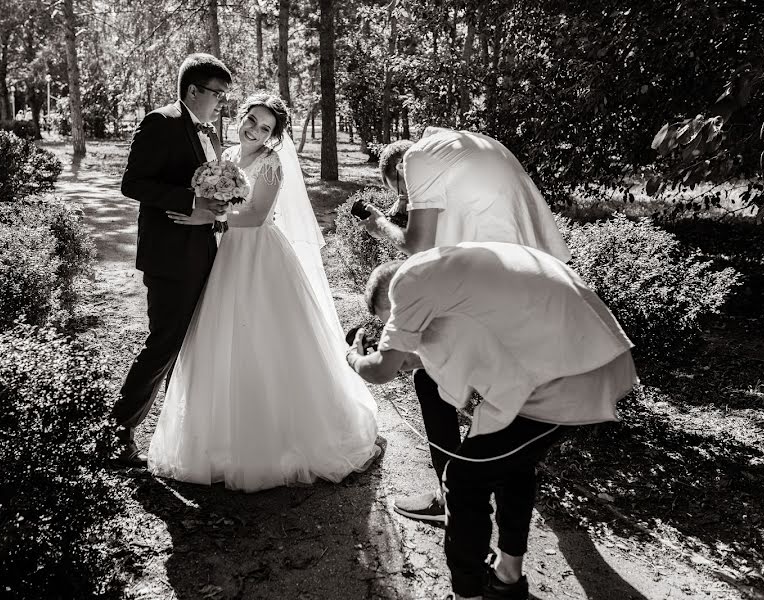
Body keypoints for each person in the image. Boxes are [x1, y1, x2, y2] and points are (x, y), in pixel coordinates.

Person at [346, 243, 638, 600]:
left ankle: (469, 594)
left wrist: (354, 359)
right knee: (510, 464)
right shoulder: (447, 270)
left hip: (572, 375)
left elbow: (381, 370)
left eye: (391, 321)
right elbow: (466, 339)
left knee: (463, 476)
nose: (396, 332)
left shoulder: (407, 283)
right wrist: (410, 357)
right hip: (576, 359)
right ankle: (507, 579)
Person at [147, 93, 380, 492]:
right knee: (226, 338)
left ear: (275, 136)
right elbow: (220, 200)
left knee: (269, 337)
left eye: (265, 127)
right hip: (228, 254)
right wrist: (210, 208)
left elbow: (255, 215)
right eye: (251, 120)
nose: (255, 130)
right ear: (241, 117)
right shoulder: (228, 154)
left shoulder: (271, 163)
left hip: (260, 254)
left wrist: (207, 216)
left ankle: (281, 439)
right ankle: (221, 440)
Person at [360, 127, 572, 522]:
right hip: (542, 279)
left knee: (428, 376)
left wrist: (380, 227)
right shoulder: (476, 150)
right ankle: (504, 507)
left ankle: (452, 493)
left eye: (403, 192)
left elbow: (419, 247)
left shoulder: (420, 160)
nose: (405, 202)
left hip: (502, 289)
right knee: (511, 397)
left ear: (404, 168)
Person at [110, 53, 232, 467]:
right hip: (169, 254)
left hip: (204, 250)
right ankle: (118, 429)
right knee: (164, 341)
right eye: (217, 93)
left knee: (192, 341)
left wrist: (217, 214)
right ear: (192, 90)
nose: (221, 102)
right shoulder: (159, 122)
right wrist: (192, 202)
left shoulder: (211, 133)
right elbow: (133, 182)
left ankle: (177, 431)